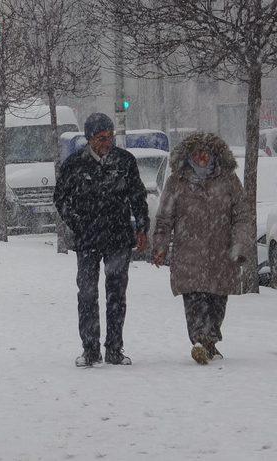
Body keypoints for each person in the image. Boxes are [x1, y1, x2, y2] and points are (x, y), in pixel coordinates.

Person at [54, 113, 149, 367]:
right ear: (90, 139)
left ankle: (115, 349)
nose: (107, 142)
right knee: (87, 294)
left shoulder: (124, 162)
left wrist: (142, 226)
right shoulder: (74, 165)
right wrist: (76, 222)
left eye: (110, 136)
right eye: (101, 137)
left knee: (116, 294)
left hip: (118, 238)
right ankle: (90, 349)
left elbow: (138, 196)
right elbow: (61, 198)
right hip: (87, 240)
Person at [152, 132, 252, 365]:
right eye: (197, 153)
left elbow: (241, 216)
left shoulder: (229, 180)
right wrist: (160, 246)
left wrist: (239, 244)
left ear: (215, 154)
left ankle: (210, 342)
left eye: (206, 153)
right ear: (189, 156)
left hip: (221, 254)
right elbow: (165, 218)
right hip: (189, 254)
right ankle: (199, 340)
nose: (202, 157)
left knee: (217, 302)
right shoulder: (177, 181)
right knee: (194, 300)